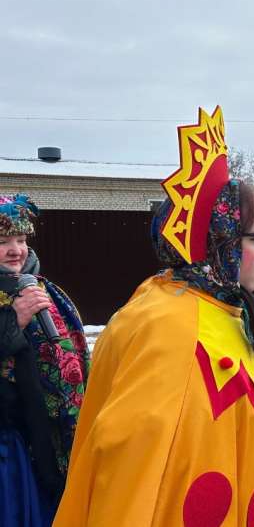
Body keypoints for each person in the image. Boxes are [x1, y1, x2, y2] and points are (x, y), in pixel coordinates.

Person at [56, 109, 254, 526]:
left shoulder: (214, 310)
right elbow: (136, 483)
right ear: (220, 241)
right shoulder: (172, 329)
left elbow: (221, 437)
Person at [1, 194, 89, 525]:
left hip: (54, 438)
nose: (16, 250)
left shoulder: (44, 290)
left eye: (21, 240)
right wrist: (13, 322)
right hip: (11, 446)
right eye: (3, 241)